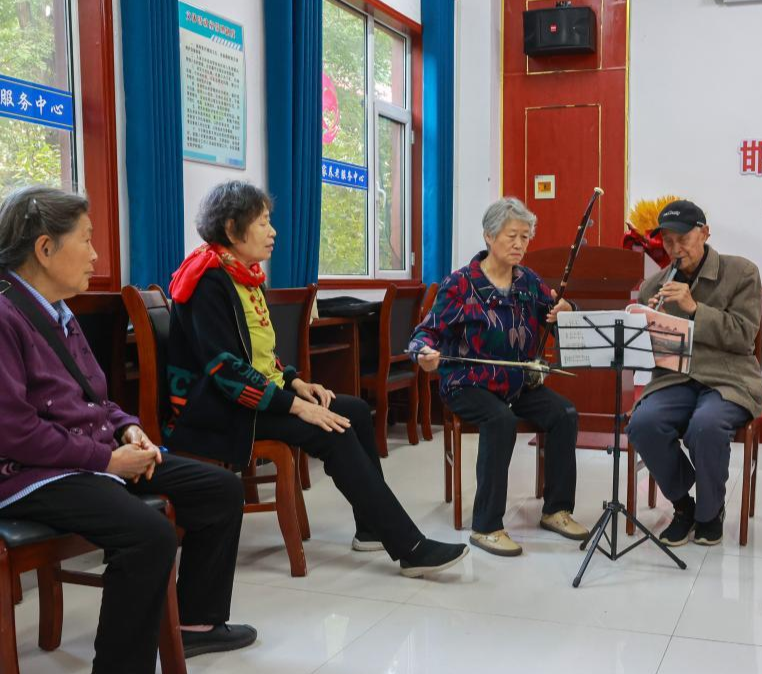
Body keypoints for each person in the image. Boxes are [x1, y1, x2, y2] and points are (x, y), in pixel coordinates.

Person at [0, 186, 254, 674]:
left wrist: (127, 431)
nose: (96, 255)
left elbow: (96, 396)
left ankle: (197, 625)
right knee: (149, 535)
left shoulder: (59, 311)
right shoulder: (6, 314)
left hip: (86, 454)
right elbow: (13, 431)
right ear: (45, 249)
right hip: (28, 473)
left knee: (220, 489)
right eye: (87, 240)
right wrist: (105, 461)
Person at [165, 180, 467, 578]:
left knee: (355, 411)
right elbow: (226, 371)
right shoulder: (207, 281)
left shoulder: (240, 274)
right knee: (332, 430)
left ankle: (371, 527)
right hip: (216, 410)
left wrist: (294, 383)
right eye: (263, 223)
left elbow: (258, 354)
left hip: (250, 398)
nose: (273, 232)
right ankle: (409, 546)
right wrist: (297, 407)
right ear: (232, 228)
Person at [410, 197, 586, 557]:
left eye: (525, 237)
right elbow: (426, 333)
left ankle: (556, 509)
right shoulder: (460, 284)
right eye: (512, 236)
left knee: (564, 414)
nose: (520, 244)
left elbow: (558, 325)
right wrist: (424, 355)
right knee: (499, 420)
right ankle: (486, 525)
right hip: (467, 383)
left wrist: (566, 313)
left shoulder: (529, 282)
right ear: (489, 236)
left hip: (517, 383)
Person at [626, 200, 762, 547]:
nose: (675, 249)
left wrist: (693, 309)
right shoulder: (653, 286)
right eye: (668, 242)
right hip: (675, 378)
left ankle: (708, 512)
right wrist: (645, 329)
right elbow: (649, 353)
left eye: (683, 238)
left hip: (728, 378)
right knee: (642, 424)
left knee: (706, 425)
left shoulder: (742, 272)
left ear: (704, 232)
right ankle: (683, 504)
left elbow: (743, 335)